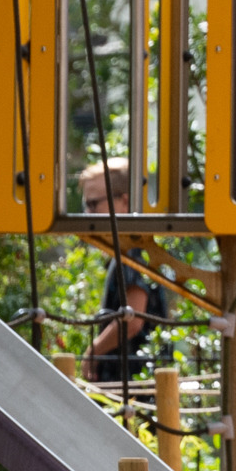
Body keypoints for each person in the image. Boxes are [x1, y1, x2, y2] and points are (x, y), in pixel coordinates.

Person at [74, 163, 173, 386]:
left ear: (125, 201)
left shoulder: (132, 251)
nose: (88, 214)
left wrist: (93, 352)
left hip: (134, 386)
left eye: (93, 204)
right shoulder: (134, 249)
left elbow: (133, 319)